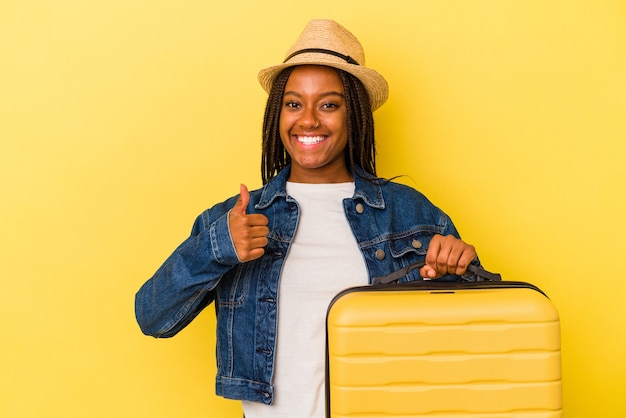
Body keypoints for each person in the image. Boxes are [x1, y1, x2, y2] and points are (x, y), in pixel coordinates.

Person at [135, 19, 479, 417]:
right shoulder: (236, 220)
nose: (309, 120)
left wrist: (458, 270)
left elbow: (474, 345)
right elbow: (152, 317)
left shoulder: (409, 213)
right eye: (294, 104)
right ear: (277, 115)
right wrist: (217, 249)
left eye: (329, 104)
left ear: (356, 116)